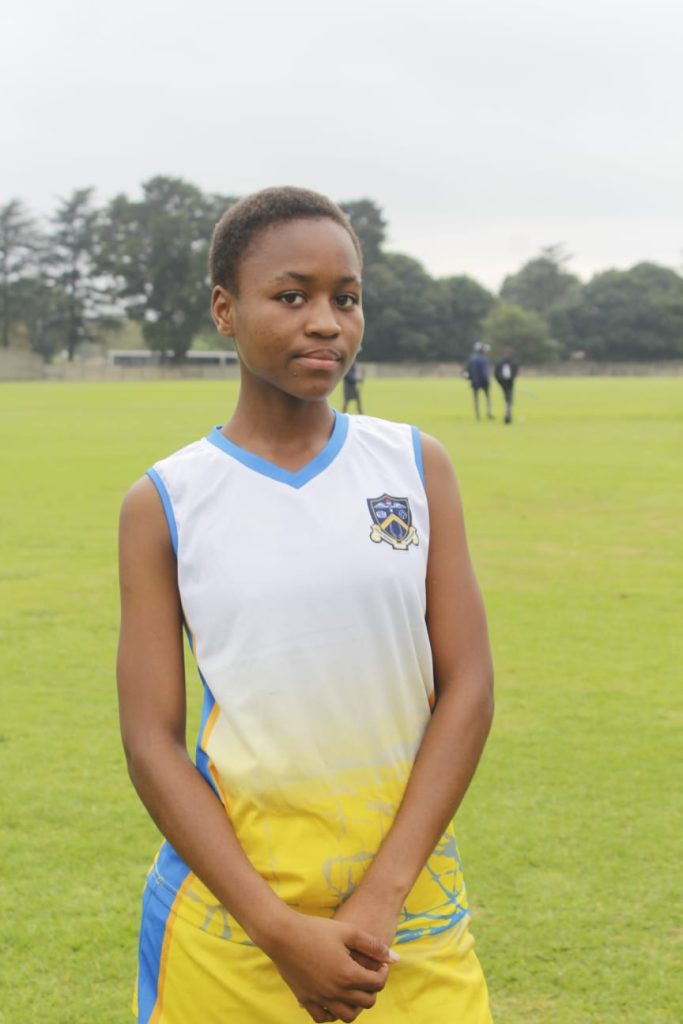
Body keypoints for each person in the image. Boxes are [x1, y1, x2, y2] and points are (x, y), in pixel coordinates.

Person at [117, 186, 494, 1024]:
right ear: (225, 309)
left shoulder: (414, 466)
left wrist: (381, 898)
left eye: (345, 299)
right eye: (291, 297)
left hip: (406, 927)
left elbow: (467, 687)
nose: (326, 323)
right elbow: (151, 742)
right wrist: (275, 929)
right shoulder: (165, 501)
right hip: (230, 936)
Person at [465, 343, 493, 420]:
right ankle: (489, 413)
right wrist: (487, 381)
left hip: (475, 381)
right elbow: (485, 372)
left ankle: (477, 415)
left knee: (476, 399)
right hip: (484, 381)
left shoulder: (472, 359)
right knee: (487, 397)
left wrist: (470, 378)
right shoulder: (485, 360)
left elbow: (468, 370)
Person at [494, 348, 519, 424]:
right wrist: (500, 382)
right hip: (503, 383)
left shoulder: (513, 362)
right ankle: (508, 414)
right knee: (508, 399)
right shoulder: (500, 362)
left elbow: (515, 373)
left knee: (509, 399)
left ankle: (508, 414)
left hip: (509, 383)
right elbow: (496, 374)